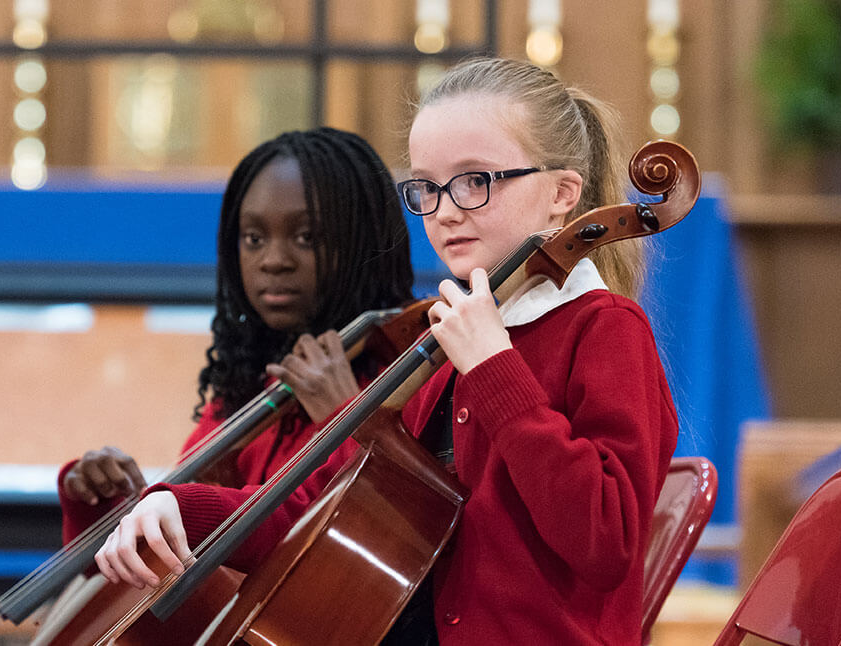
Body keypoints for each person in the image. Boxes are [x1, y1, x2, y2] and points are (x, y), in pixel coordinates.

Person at [95, 56, 680, 646]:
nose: (446, 210)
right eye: (427, 186)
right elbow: (316, 507)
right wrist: (176, 505)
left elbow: (607, 539)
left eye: (475, 180)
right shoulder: (444, 340)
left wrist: (493, 367)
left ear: (562, 193)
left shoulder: (604, 329)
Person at [56, 127, 415, 544]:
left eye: (306, 238)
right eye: (254, 239)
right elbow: (173, 579)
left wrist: (345, 414)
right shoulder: (248, 385)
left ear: (363, 242)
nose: (274, 260)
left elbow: (389, 536)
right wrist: (111, 506)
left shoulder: (410, 373)